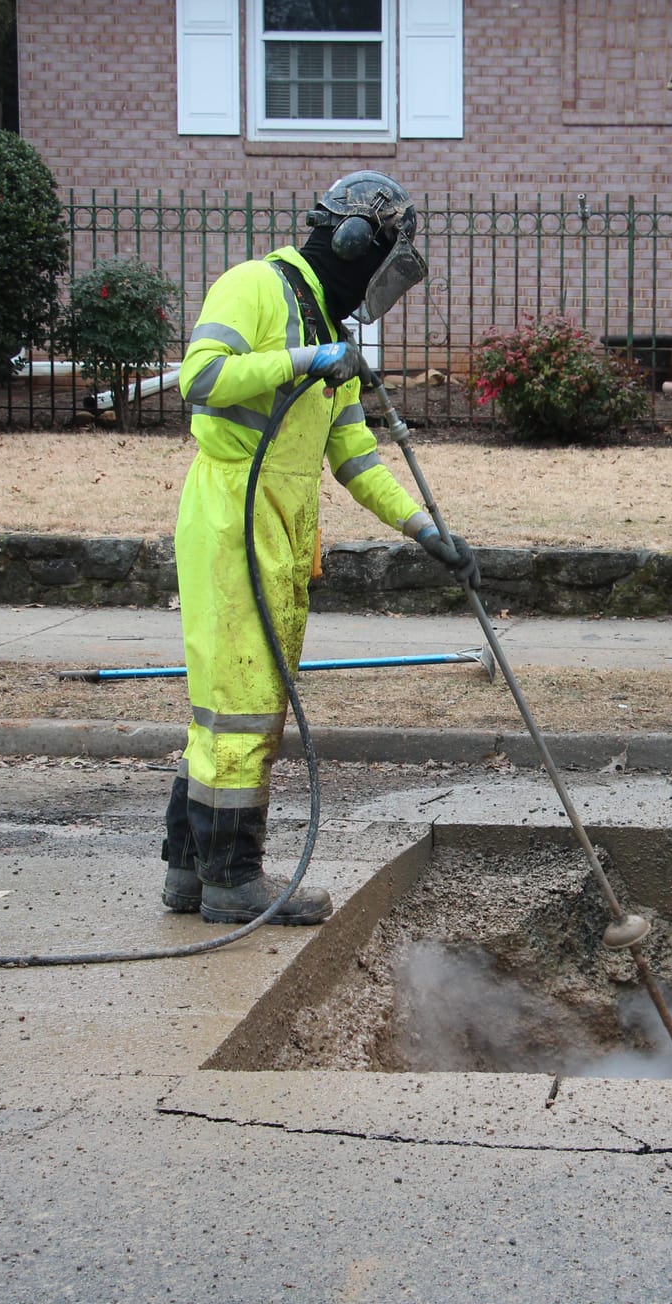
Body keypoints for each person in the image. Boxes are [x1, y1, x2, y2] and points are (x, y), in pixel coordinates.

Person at [159, 170, 479, 926]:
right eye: (384, 257)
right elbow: (200, 380)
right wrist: (300, 363)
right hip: (234, 508)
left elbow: (354, 453)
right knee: (243, 702)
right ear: (353, 241)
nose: (383, 278)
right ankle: (233, 879)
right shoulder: (258, 288)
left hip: (281, 519)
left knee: (229, 703)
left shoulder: (329, 323)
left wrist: (424, 528)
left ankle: (189, 871)